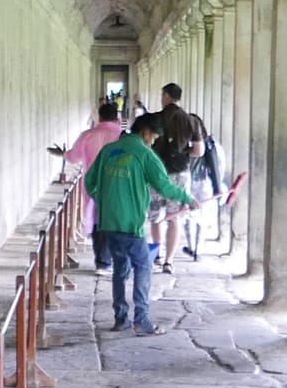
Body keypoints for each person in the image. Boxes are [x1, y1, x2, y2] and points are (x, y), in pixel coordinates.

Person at [84, 111, 192, 335]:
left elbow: (89, 181)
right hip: (130, 225)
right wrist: (188, 199)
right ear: (145, 133)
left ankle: (120, 318)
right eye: (153, 138)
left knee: (119, 269)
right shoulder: (144, 154)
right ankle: (141, 320)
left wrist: (105, 201)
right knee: (143, 267)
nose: (153, 142)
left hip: (108, 223)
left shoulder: (108, 150)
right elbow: (165, 187)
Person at [54, 96, 126, 270]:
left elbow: (73, 157)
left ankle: (102, 261)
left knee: (96, 220)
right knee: (116, 218)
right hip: (117, 182)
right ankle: (117, 257)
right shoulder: (122, 137)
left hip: (92, 184)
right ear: (117, 118)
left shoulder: (87, 135)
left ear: (99, 118)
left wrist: (62, 154)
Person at [152, 83, 202, 279]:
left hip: (157, 173)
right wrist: (183, 152)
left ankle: (157, 254)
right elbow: (199, 151)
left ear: (166, 96)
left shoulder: (155, 119)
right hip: (181, 173)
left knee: (155, 217)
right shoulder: (190, 121)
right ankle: (169, 261)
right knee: (174, 218)